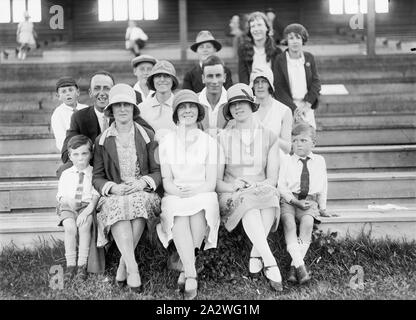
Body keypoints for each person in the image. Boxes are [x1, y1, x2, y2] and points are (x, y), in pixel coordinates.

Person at [93, 83, 162, 291]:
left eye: (127, 105)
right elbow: (97, 177)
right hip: (116, 193)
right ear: (111, 110)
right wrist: (112, 187)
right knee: (118, 205)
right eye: (118, 105)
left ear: (134, 109)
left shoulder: (147, 134)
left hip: (142, 190)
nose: (123, 109)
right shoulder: (102, 140)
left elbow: (158, 171)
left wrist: (142, 182)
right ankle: (133, 268)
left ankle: (125, 265)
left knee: (138, 202)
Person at [216, 83, 282, 292]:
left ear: (252, 104)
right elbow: (216, 182)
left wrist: (258, 184)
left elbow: (272, 178)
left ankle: (256, 254)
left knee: (270, 194)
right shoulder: (221, 138)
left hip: (261, 189)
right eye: (233, 104)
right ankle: (270, 261)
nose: (237, 107)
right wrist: (233, 185)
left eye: (242, 102)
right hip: (231, 193)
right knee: (249, 202)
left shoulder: (269, 136)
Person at [157, 89, 220, 300]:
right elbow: (166, 180)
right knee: (177, 212)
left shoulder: (209, 142)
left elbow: (211, 182)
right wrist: (177, 191)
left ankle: (186, 270)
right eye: (182, 107)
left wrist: (196, 190)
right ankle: (192, 273)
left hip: (202, 191)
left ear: (198, 112)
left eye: (191, 106)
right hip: (175, 192)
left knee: (202, 207)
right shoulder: (166, 142)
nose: (187, 111)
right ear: (175, 114)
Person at [59, 70, 152, 175]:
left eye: (107, 88)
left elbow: (149, 133)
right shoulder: (79, 117)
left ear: (114, 93)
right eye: (97, 88)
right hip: (91, 166)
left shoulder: (125, 113)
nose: (102, 93)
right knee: (64, 170)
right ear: (90, 93)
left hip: (119, 167)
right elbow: (66, 153)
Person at [278, 123, 330, 285]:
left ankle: (294, 267)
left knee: (307, 223)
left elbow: (323, 185)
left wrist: (322, 207)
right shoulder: (286, 160)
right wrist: (294, 201)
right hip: (290, 200)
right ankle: (301, 267)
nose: (298, 144)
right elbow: (281, 186)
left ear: (313, 143)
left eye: (303, 140)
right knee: (289, 224)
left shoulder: (319, 161)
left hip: (309, 200)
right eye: (294, 141)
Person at [56, 135, 99, 282]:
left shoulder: (94, 173)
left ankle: (82, 265)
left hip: (86, 207)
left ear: (91, 154)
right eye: (76, 154)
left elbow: (95, 196)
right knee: (70, 228)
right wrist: (68, 201)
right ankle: (70, 265)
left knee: (84, 225)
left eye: (84, 153)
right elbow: (60, 196)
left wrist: (86, 212)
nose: (80, 158)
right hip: (68, 206)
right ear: (70, 156)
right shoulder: (66, 174)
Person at [273, 23, 321, 129]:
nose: (295, 41)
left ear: (303, 40)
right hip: (286, 107)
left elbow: (316, 83)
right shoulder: (279, 60)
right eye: (291, 38)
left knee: (307, 140)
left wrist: (307, 105)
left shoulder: (309, 58)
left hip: (306, 107)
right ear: (286, 41)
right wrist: (294, 109)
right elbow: (279, 87)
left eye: (298, 38)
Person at [250, 68, 292, 154]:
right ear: (252, 85)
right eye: (256, 82)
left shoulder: (284, 110)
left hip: (277, 160)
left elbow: (287, 148)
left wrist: (268, 136)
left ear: (269, 84)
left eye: (264, 81)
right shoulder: (246, 108)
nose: (260, 86)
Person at [139, 60, 178, 142]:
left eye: (167, 76)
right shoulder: (142, 108)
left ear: (173, 80)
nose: (162, 79)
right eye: (158, 76)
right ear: (152, 80)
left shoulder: (180, 107)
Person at [238, 11, 282, 85]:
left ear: (267, 28)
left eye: (259, 25)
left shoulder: (277, 51)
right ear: (250, 30)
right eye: (253, 26)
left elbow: (279, 79)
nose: (256, 29)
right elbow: (243, 78)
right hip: (251, 93)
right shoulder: (243, 50)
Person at [51, 77, 88, 152]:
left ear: (77, 92)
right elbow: (61, 140)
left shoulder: (86, 109)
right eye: (63, 91)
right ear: (58, 96)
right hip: (71, 152)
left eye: (71, 90)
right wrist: (72, 153)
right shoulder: (58, 114)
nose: (68, 93)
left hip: (89, 149)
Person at [198, 55, 229, 135]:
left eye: (218, 75)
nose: (214, 81)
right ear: (203, 79)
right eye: (210, 76)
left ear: (224, 77)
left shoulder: (234, 102)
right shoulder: (194, 102)